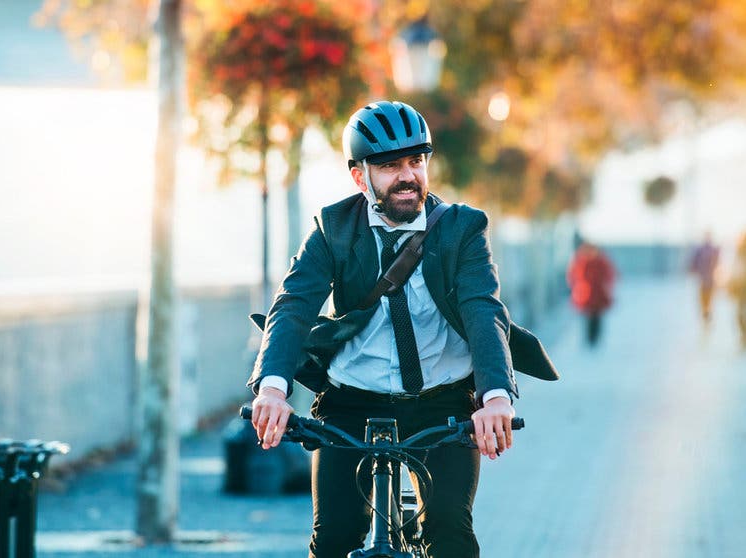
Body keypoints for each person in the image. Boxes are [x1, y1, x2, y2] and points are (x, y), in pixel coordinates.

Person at [246, 101, 557, 558]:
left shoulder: (461, 229)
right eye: (390, 166)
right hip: (351, 401)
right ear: (360, 176)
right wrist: (272, 390)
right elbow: (292, 305)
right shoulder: (334, 229)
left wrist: (494, 399)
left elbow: (483, 310)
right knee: (333, 538)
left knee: (450, 533)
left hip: (443, 402)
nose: (408, 175)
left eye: (416, 161)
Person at [566, 241, 616, 347]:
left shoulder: (600, 262)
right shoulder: (581, 261)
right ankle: (589, 339)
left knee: (597, 318)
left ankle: (595, 339)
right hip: (585, 295)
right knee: (588, 318)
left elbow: (609, 276)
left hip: (597, 295)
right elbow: (573, 276)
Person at [689, 232, 721, 326]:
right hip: (705, 279)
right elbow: (694, 263)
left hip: (708, 279)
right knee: (705, 299)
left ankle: (706, 314)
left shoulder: (711, 249)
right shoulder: (701, 250)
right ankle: (706, 314)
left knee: (707, 298)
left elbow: (717, 262)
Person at [728, 232, 746, 348]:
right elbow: (734, 269)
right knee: (738, 313)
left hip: (740, 284)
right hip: (740, 285)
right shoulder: (738, 253)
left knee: (739, 313)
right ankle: (744, 334)